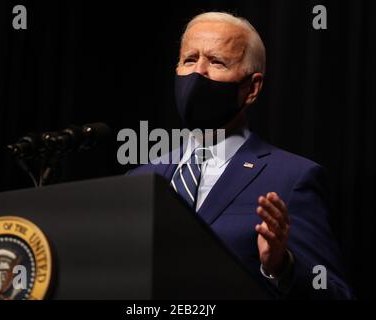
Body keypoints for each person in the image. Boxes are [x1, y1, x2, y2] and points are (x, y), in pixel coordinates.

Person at [130, 12, 353, 299]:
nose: (198, 73)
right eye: (189, 59)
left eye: (216, 62)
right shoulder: (140, 178)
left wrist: (282, 267)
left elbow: (335, 294)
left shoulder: (292, 178)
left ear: (251, 88)